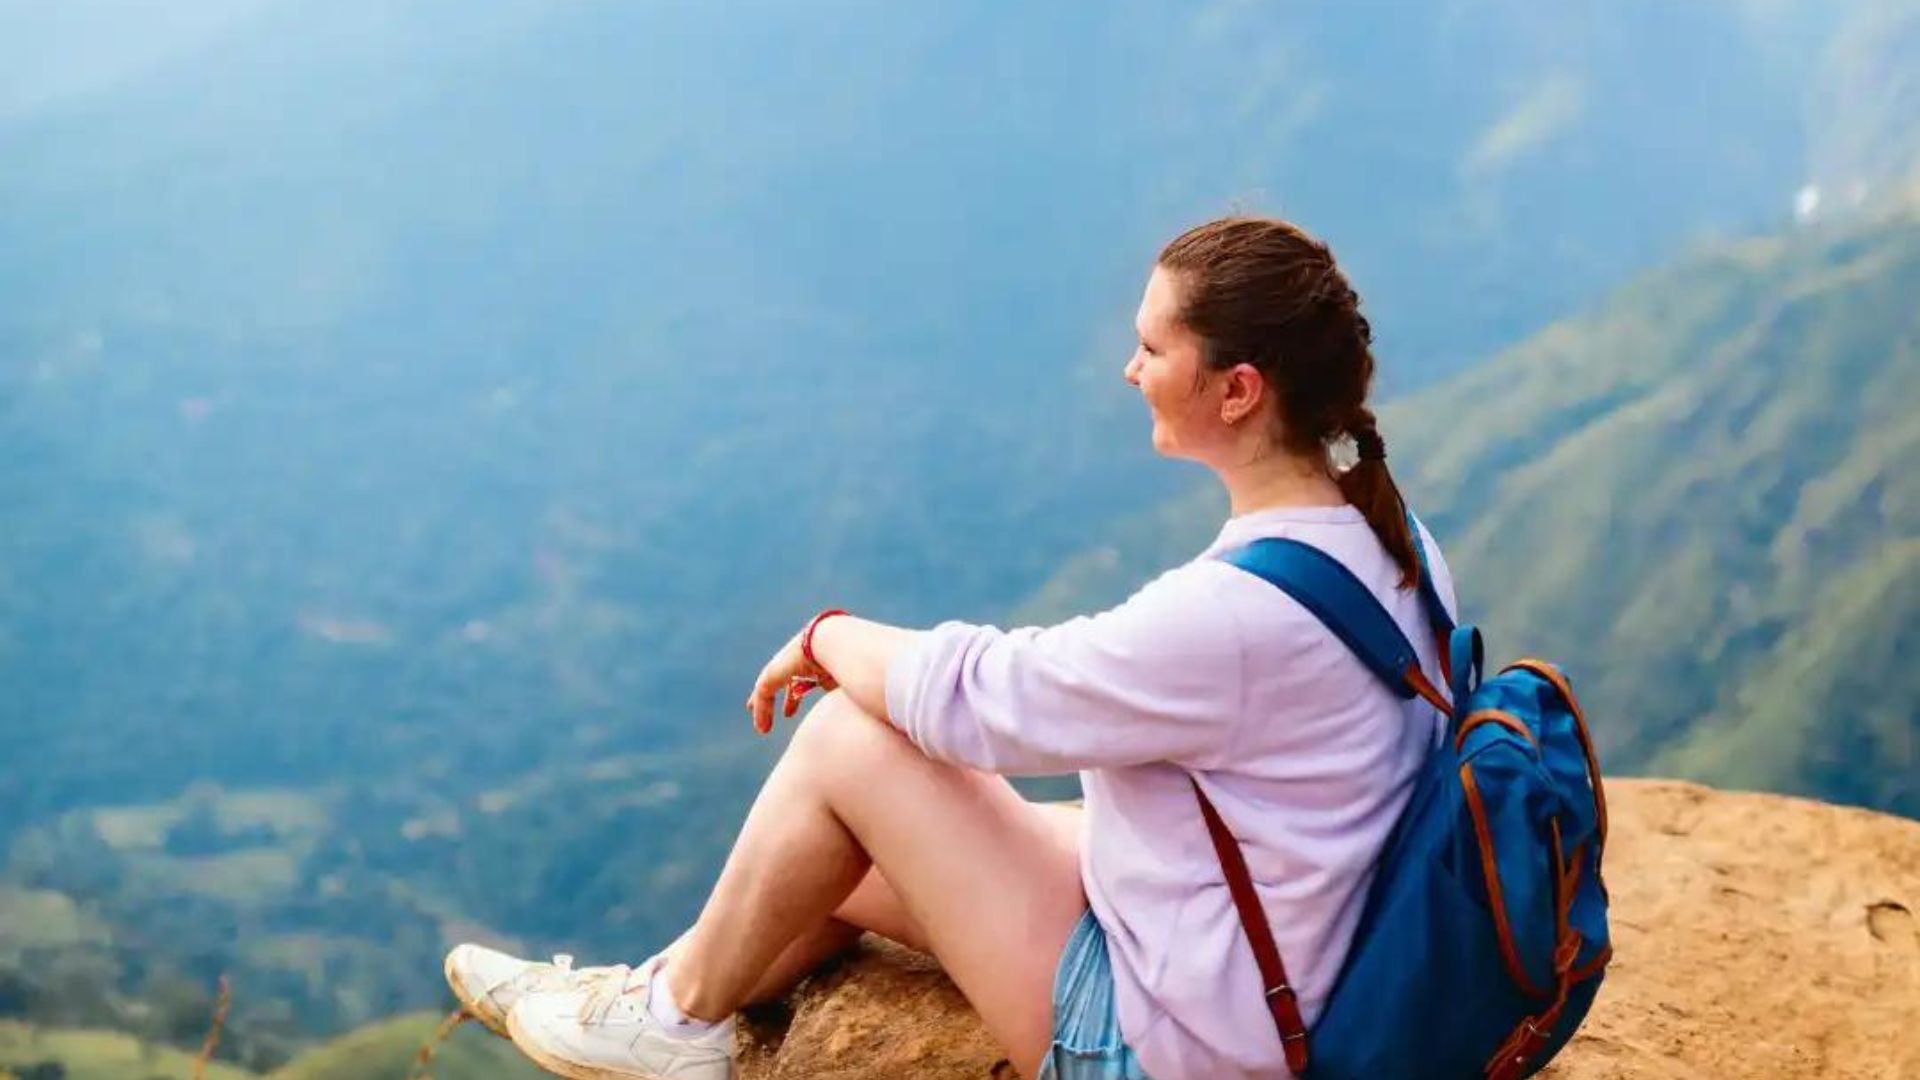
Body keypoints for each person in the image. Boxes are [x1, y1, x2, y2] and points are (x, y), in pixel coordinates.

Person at [444, 215, 1458, 1080]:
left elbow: (993, 701)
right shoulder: (1389, 541)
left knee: (850, 741)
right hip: (1283, 956)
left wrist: (824, 635)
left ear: (1236, 391)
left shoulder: (1238, 614)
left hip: (1187, 1043)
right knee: (848, 843)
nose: (1129, 368)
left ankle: (669, 1028)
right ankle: (651, 996)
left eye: (1152, 349)